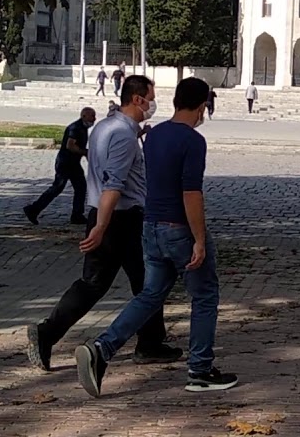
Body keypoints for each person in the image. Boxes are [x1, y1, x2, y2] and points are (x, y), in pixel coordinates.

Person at [76, 78, 238, 397]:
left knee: (150, 295)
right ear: (202, 106)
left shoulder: (155, 135)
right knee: (204, 296)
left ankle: (102, 348)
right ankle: (200, 369)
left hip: (151, 226)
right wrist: (199, 239)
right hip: (179, 229)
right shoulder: (193, 141)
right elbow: (191, 193)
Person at [24, 75, 181, 372]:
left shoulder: (106, 127)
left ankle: (148, 341)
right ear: (138, 99)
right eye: (151, 98)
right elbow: (114, 184)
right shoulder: (123, 136)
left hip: (106, 213)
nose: (153, 104)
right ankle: (146, 343)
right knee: (145, 282)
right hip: (121, 219)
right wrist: (100, 227)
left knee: (110, 282)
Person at [24, 108, 96, 226]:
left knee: (81, 188)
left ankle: (77, 215)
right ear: (84, 116)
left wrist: (88, 156)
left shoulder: (83, 128)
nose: (94, 119)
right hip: (65, 163)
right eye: (92, 116)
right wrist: (85, 152)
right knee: (57, 187)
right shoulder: (75, 128)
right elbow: (70, 145)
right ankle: (33, 209)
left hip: (74, 163)